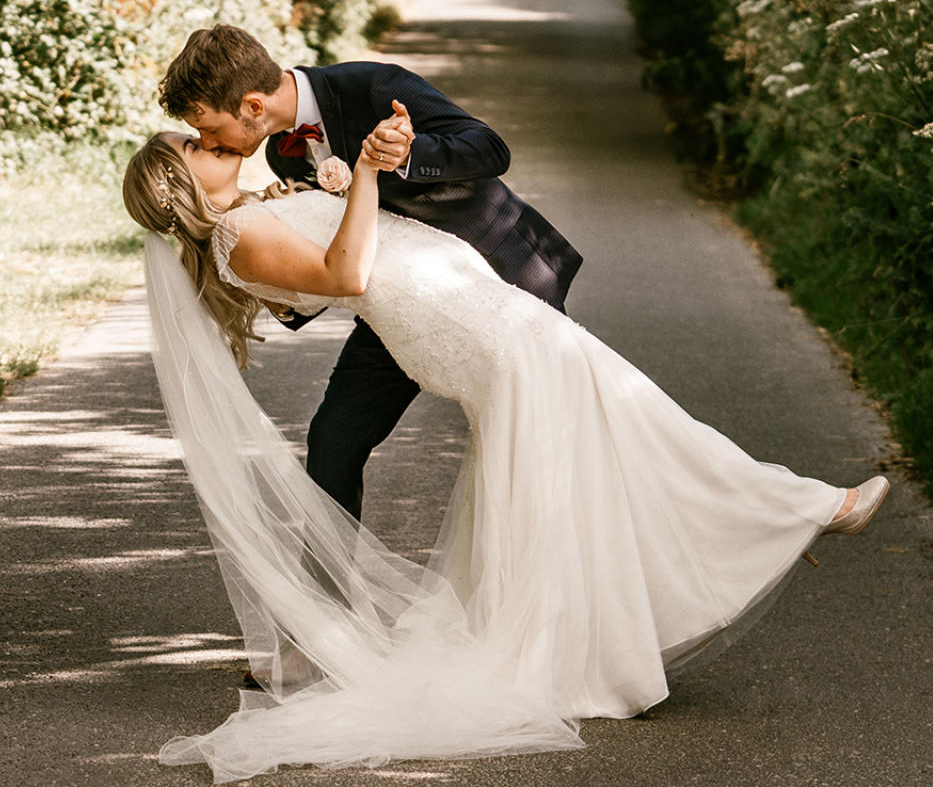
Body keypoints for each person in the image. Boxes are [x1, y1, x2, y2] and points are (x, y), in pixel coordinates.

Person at [121, 112, 891, 780]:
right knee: (639, 418)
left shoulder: (250, 217)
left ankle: (695, 572)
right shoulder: (233, 239)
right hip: (472, 332)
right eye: (190, 144)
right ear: (177, 185)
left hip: (479, 312)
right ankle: (805, 507)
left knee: (602, 444)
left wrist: (335, 180)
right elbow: (348, 273)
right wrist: (356, 173)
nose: (205, 137)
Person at [155, 24, 583, 520]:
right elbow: (335, 252)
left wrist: (405, 157)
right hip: (403, 306)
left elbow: (490, 149)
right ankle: (330, 596)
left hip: (501, 278)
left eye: (206, 126)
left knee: (533, 439)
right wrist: (279, 294)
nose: (205, 139)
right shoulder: (280, 153)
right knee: (334, 438)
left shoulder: (373, 86)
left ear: (252, 106)